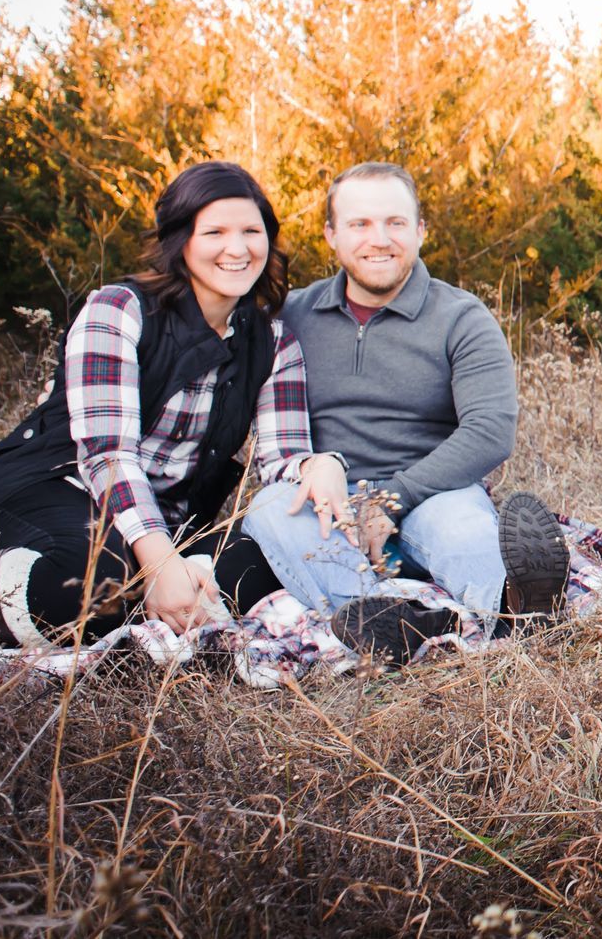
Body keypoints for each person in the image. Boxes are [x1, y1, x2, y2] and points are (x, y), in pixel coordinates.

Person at [0, 161, 317, 656]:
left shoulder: (273, 340)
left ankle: (134, 602)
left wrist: (316, 467)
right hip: (53, 488)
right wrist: (160, 564)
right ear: (180, 240)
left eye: (252, 231)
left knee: (266, 562)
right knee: (100, 581)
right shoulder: (118, 308)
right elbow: (107, 453)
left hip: (165, 519)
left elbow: (282, 457)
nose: (237, 248)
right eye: (215, 232)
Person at [239, 162, 569, 664]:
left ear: (420, 231)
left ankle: (520, 605)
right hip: (329, 500)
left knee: (463, 533)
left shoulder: (461, 317)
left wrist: (394, 499)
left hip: (433, 492)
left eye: (395, 223)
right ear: (331, 234)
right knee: (270, 510)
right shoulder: (293, 317)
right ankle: (390, 617)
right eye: (360, 224)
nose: (380, 239)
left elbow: (489, 431)